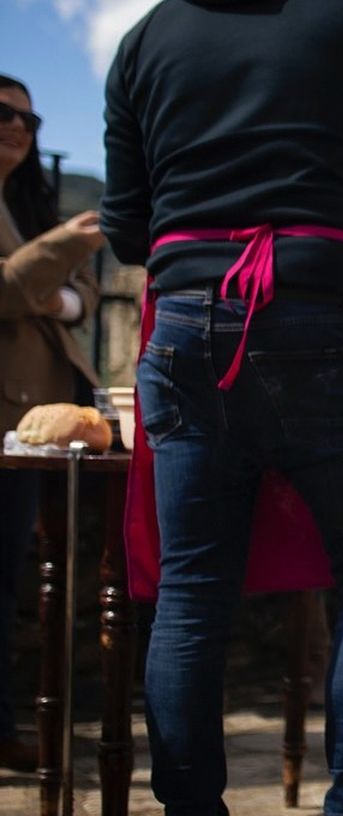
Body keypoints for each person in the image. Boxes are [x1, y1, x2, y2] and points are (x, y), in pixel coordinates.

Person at [101, 2, 343, 816]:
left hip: (183, 323)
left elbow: (126, 229)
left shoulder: (144, 38)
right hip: (323, 308)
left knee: (190, 598)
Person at [0, 73, 103, 772]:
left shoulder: (24, 202)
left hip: (31, 424)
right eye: (4, 113)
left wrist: (45, 292)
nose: (19, 128)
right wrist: (60, 248)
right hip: (10, 420)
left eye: (30, 121)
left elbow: (84, 298)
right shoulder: (45, 217)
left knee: (14, 578)